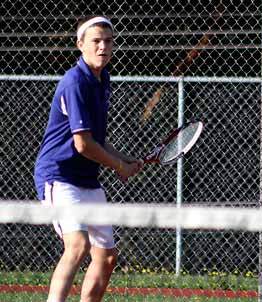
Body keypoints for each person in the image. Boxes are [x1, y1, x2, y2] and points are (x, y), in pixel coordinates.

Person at [34, 16, 142, 302]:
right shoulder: (74, 81)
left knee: (106, 257)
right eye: (96, 41)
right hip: (59, 176)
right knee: (78, 244)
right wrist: (119, 166)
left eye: (108, 41)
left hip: (87, 180)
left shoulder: (102, 79)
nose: (103, 46)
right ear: (80, 44)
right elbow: (82, 144)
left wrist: (124, 159)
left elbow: (97, 139)